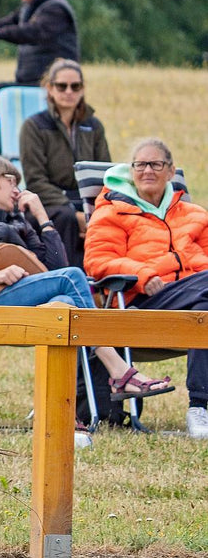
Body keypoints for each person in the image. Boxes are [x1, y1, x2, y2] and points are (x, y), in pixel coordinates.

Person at [0, 154, 170, 399]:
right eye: (11, 180)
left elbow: (56, 268)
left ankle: (65, 410)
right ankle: (119, 371)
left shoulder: (16, 219)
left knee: (65, 306)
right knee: (72, 279)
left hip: (21, 300)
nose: (17, 190)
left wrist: (42, 216)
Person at [83, 139, 208, 439]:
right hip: (143, 301)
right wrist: (141, 273)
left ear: (171, 171)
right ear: (131, 170)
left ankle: (200, 408)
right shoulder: (112, 211)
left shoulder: (195, 214)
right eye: (140, 164)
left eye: (155, 164)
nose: (147, 170)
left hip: (195, 296)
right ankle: (200, 410)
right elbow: (97, 261)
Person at [19, 59, 109, 268]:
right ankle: (69, 275)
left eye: (75, 86)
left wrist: (93, 208)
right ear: (49, 88)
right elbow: (35, 180)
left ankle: (106, 280)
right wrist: (74, 210)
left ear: (82, 89)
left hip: (85, 199)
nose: (69, 91)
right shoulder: (34, 126)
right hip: (48, 201)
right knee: (66, 218)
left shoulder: (93, 126)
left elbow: (104, 173)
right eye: (62, 86)